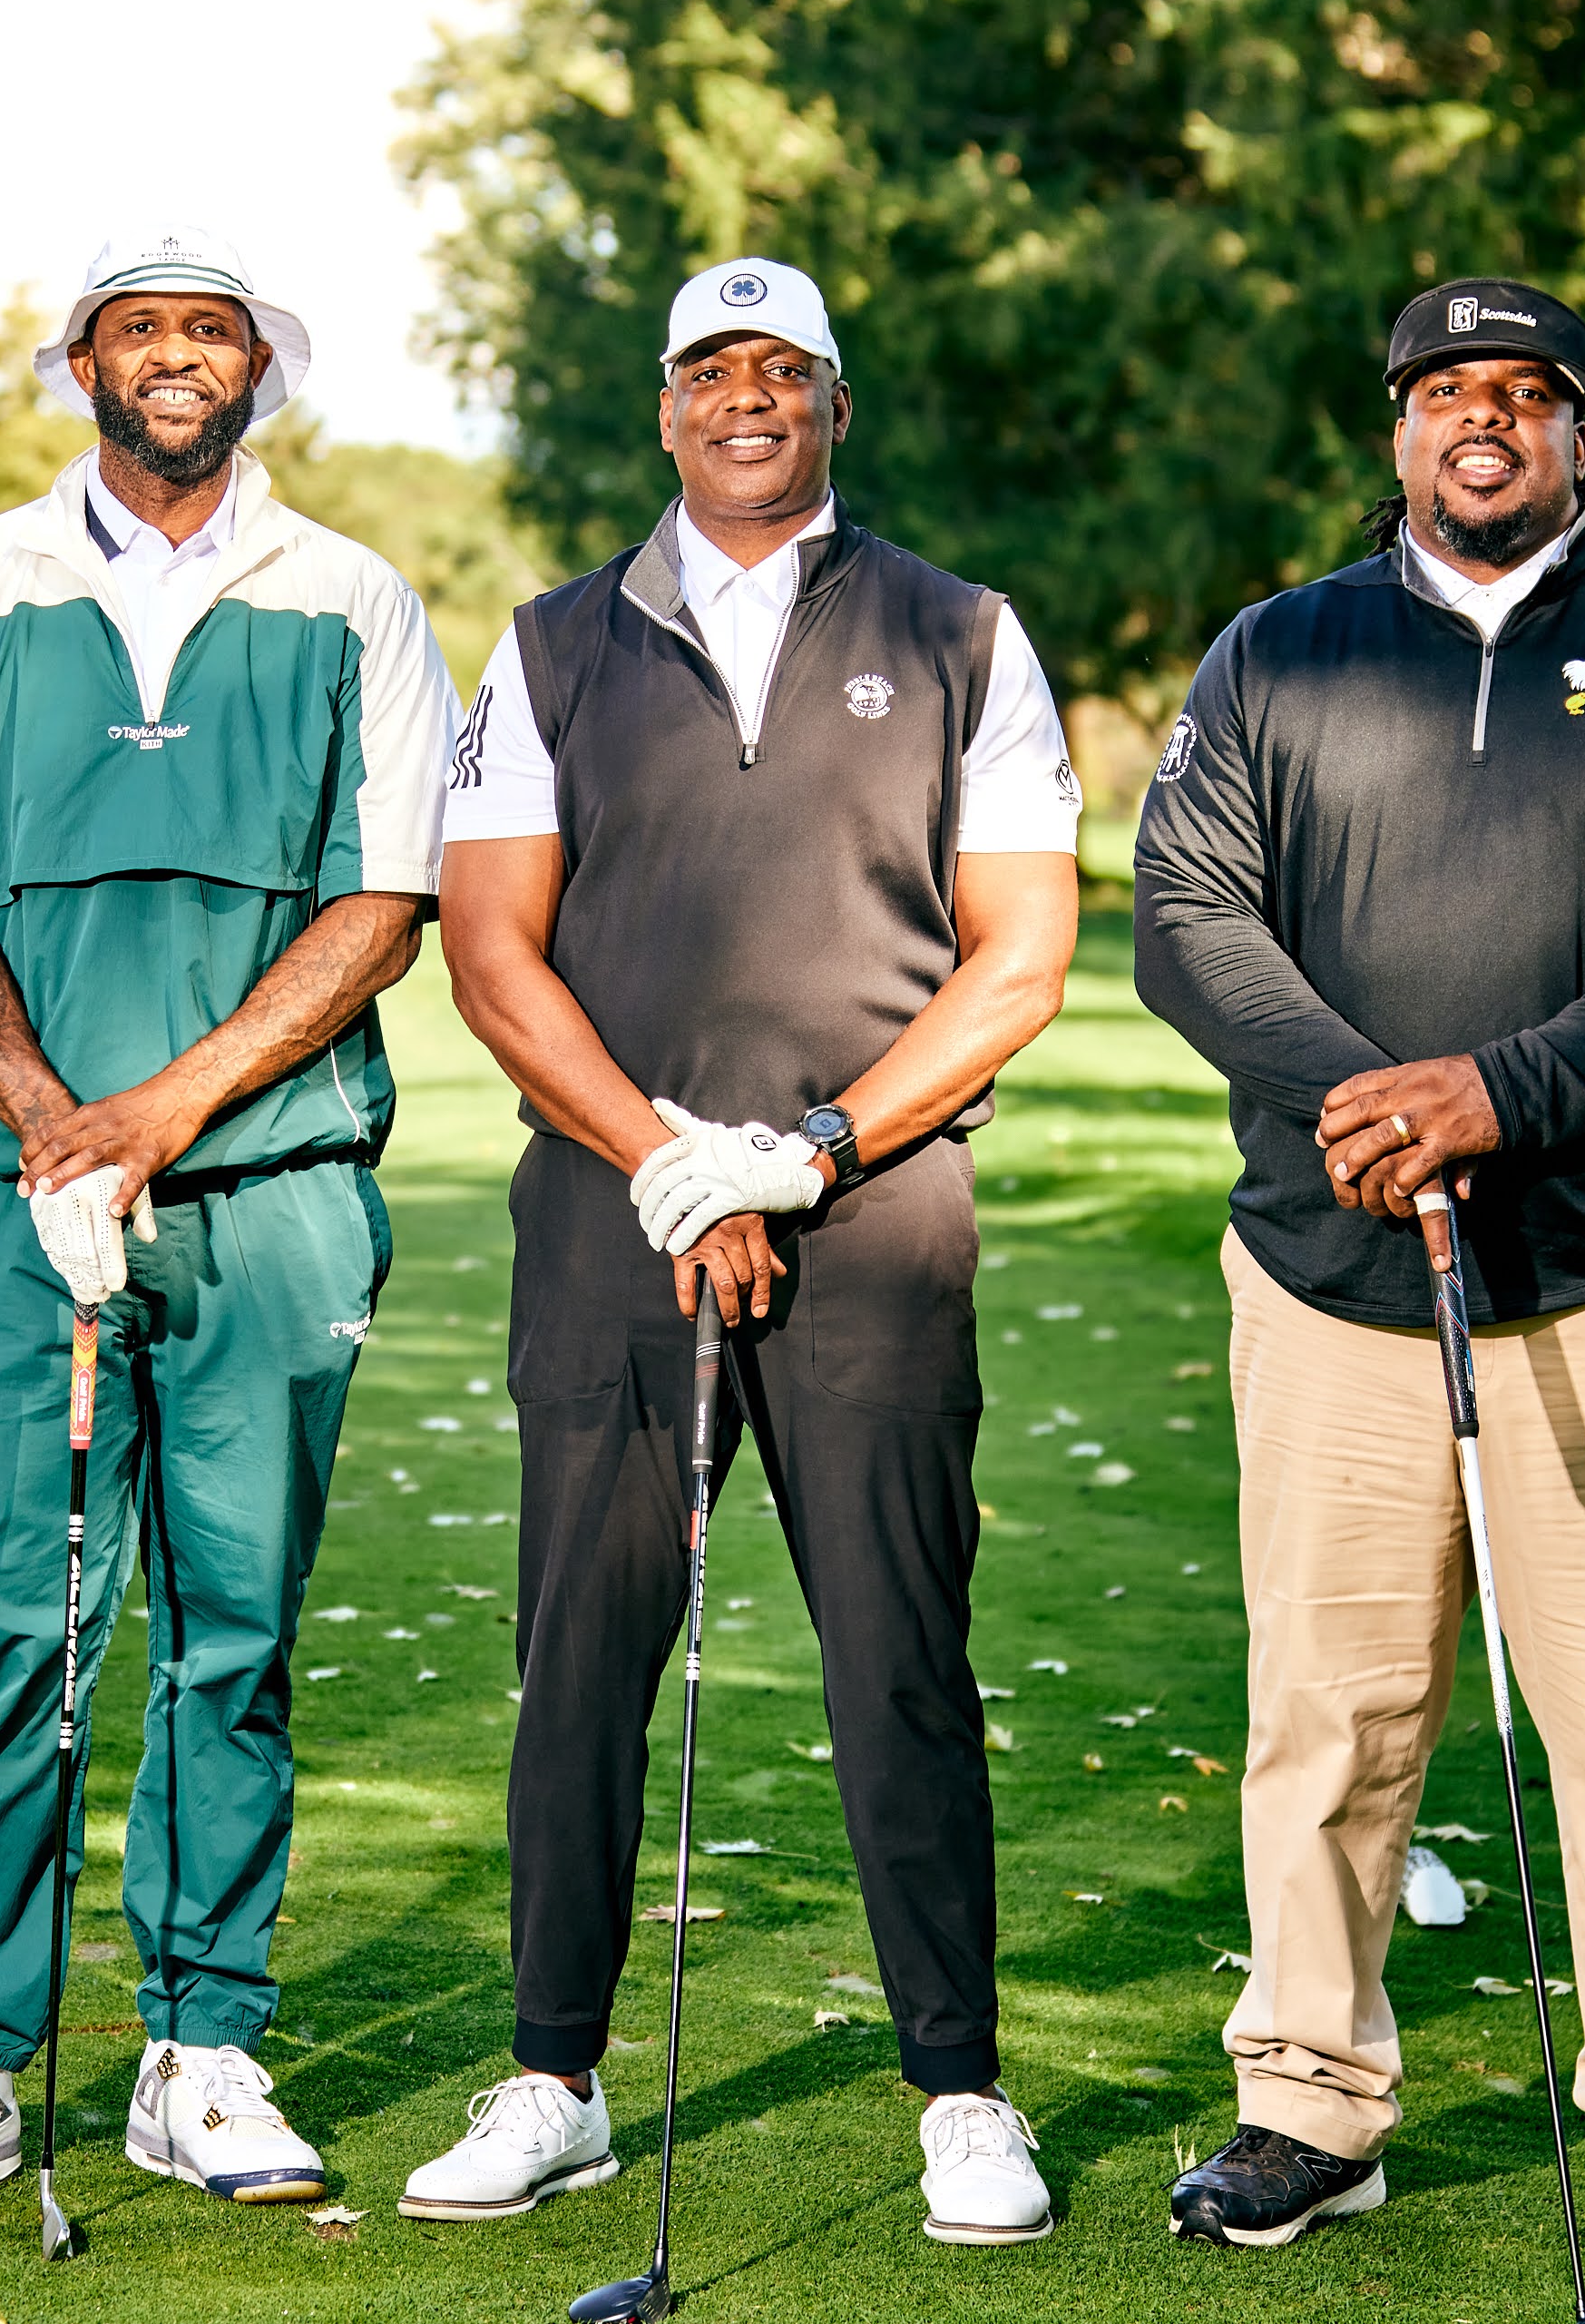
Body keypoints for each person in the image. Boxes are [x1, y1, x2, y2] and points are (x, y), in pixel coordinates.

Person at [1132, 279, 1585, 2289]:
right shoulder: (1282, 650)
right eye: (1451, 396)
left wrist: (1502, 1093)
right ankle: (1310, 2104)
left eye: (1528, 397)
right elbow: (1188, 912)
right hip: (1334, 1275)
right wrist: (1358, 1089)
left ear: (1580, 437)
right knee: (1331, 1718)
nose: (1487, 427)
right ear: (1399, 431)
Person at [0, 230, 457, 2215]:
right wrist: (53, 1132)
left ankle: (203, 2046)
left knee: (233, 1636)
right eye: (140, 329)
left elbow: (381, 905)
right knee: (16, 1626)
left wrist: (154, 1113)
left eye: (212, 332)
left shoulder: (348, 597)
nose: (176, 360)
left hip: (274, 1198)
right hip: (16, 1213)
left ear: (262, 369)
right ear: (85, 360)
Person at [423, 258, 1085, 2248]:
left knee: (901, 1655)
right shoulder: (549, 645)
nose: (745, 400)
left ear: (833, 406)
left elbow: (1024, 952)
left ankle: (960, 2091)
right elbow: (489, 949)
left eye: (783, 371)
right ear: (664, 409)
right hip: (614, 1218)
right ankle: (553, 2076)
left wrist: (806, 1154)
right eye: (710, 371)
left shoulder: (962, 633)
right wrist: (668, 1165)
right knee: (580, 1662)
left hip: (873, 1217)